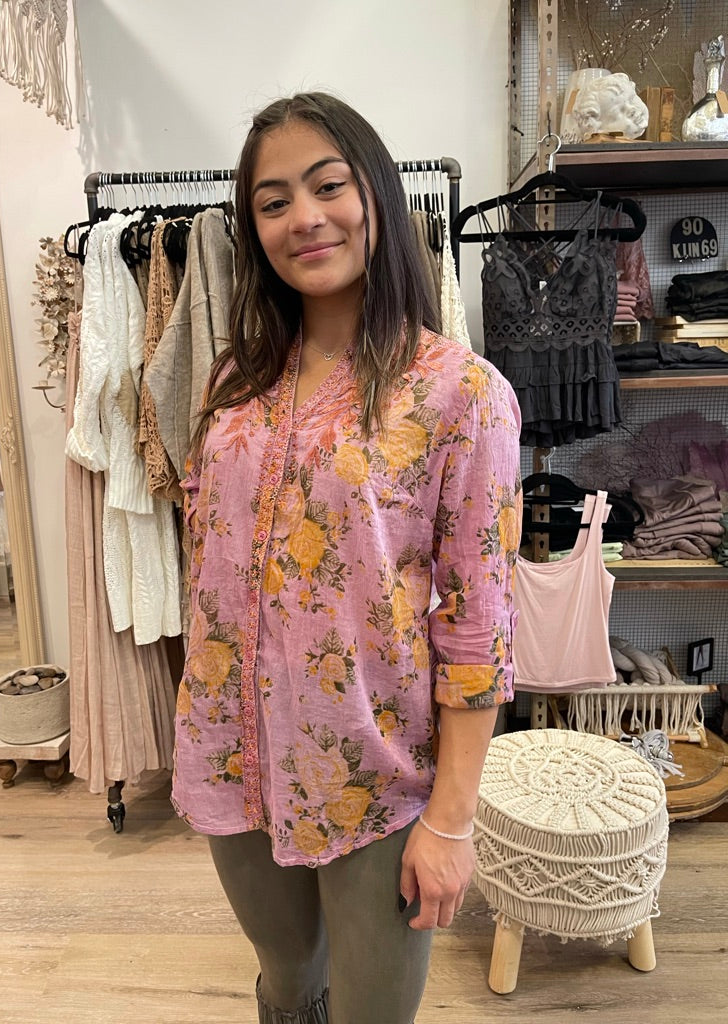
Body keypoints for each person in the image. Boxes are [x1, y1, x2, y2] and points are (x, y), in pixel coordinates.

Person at [171, 91, 521, 1024]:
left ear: (376, 194)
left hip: (373, 769)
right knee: (288, 986)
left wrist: (451, 820)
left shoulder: (459, 394)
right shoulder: (234, 383)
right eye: (273, 201)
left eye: (328, 186)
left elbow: (479, 627)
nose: (304, 217)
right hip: (232, 748)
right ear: (252, 230)